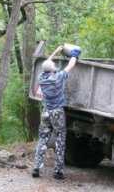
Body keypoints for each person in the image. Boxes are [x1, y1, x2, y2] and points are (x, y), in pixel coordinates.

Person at [32, 45, 80, 180]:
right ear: (52, 68)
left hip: (45, 112)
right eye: (53, 65)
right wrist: (75, 55)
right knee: (60, 139)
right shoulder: (58, 77)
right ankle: (58, 171)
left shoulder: (42, 77)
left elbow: (46, 64)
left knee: (42, 139)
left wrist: (56, 51)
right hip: (57, 112)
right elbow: (71, 65)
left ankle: (36, 168)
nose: (54, 65)